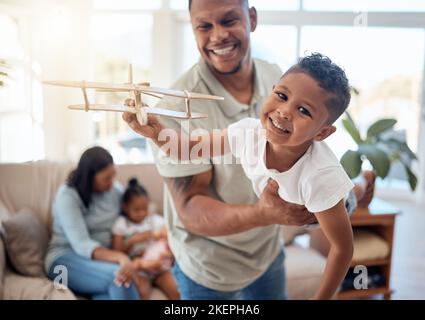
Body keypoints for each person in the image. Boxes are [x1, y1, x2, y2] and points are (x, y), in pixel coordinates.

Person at [123, 0, 374, 300]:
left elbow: (343, 248)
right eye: (280, 96)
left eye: (303, 111)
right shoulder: (248, 131)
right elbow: (188, 149)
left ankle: (358, 187)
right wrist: (155, 132)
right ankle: (359, 187)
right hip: (209, 268)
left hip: (276, 244)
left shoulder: (320, 176)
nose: (282, 112)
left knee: (346, 199)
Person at [45, 146, 147, 300]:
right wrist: (120, 257)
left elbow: (134, 216)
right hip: (64, 260)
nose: (112, 183)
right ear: (89, 177)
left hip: (101, 263)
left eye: (113, 176)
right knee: (120, 279)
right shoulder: (67, 196)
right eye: (106, 178)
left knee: (111, 293)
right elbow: (82, 244)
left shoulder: (115, 191)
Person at [112, 178, 179, 300]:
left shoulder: (154, 220)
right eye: (136, 210)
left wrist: (157, 235)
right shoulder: (122, 224)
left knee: (176, 290)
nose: (142, 213)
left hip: (159, 267)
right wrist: (133, 241)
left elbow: (169, 235)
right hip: (139, 269)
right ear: (125, 207)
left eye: (145, 208)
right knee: (142, 292)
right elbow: (117, 252)